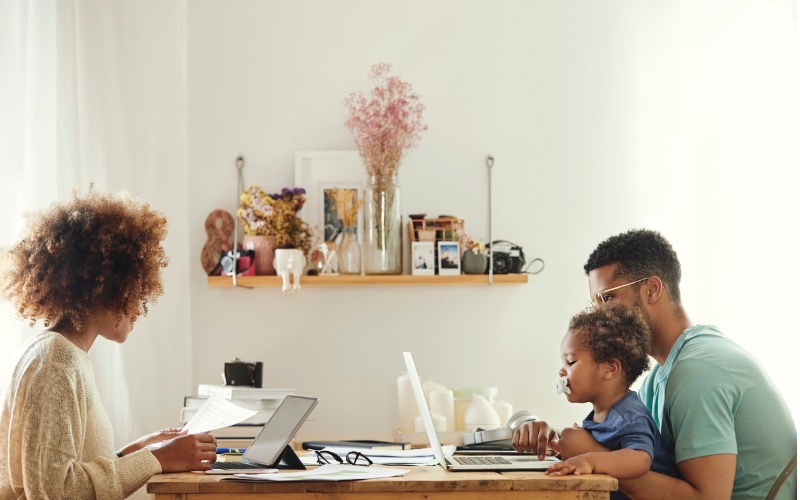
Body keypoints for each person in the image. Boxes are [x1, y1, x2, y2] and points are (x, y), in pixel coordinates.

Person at [512, 229, 797, 499]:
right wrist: (557, 439)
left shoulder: (699, 371)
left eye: (608, 298)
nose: (600, 315)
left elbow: (708, 498)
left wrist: (592, 454)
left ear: (651, 289)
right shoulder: (661, 375)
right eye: (595, 304)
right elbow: (637, 452)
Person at [0, 191, 217, 499]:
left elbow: (70, 471)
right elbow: (56, 492)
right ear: (104, 287)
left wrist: (141, 449)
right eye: (135, 288)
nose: (140, 306)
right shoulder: (54, 361)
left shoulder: (65, 352)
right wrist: (157, 459)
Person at [545, 305, 679, 494]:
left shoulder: (629, 415)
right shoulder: (602, 413)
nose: (561, 371)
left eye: (571, 362)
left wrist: (589, 460)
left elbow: (640, 459)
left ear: (610, 369)